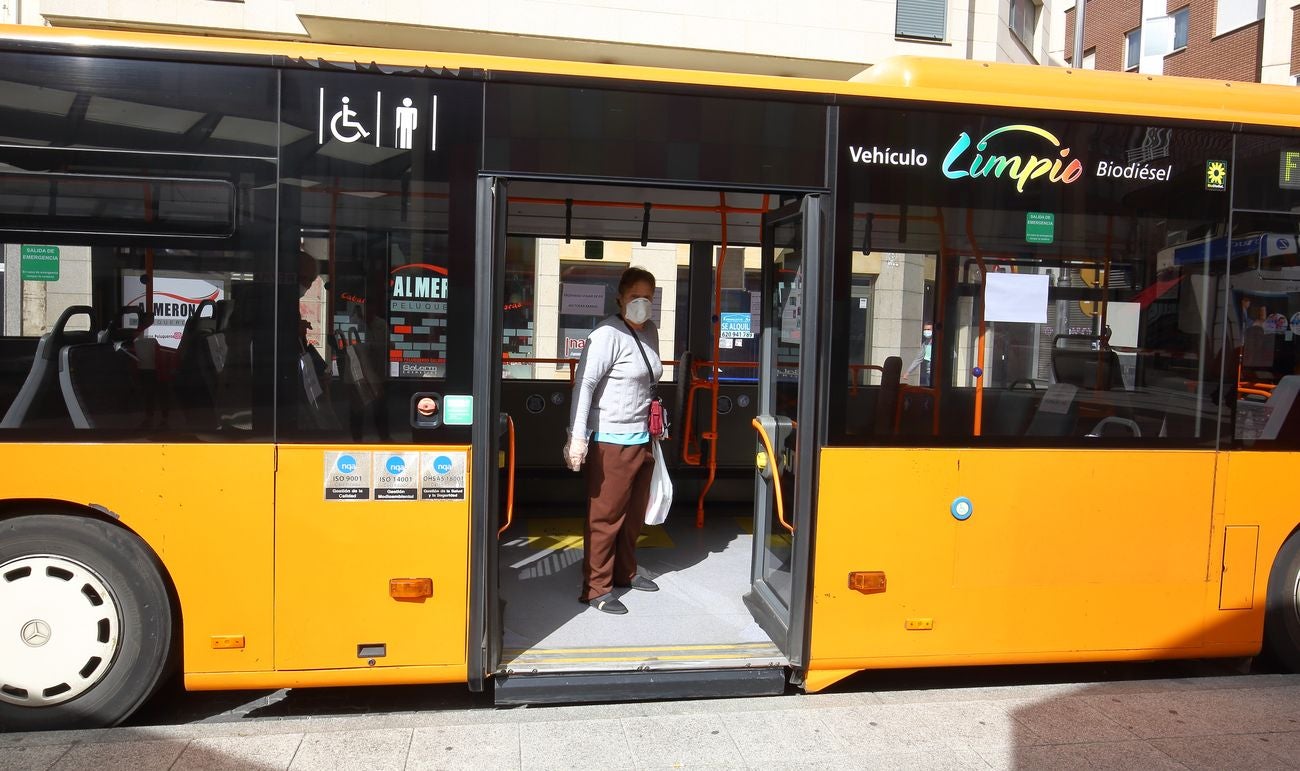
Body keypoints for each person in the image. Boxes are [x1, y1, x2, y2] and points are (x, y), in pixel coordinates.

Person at [564, 266, 663, 615]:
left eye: (648, 297)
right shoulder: (605, 335)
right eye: (635, 296)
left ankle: (626, 571)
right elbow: (584, 385)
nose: (642, 303)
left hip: (642, 438)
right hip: (610, 438)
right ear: (620, 296)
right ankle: (596, 587)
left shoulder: (650, 331)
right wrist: (577, 438)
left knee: (633, 514)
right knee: (605, 517)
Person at [904, 322, 932, 386]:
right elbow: (918, 359)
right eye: (925, 329)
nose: (926, 331)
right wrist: (908, 372)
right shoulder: (925, 344)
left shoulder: (941, 343)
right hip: (929, 374)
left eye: (928, 329)